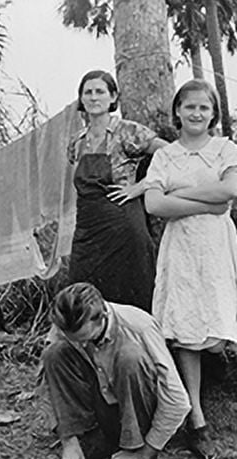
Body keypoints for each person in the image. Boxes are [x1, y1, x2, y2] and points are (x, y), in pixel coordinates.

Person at [140, 79, 237, 459]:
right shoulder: (166, 156)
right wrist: (206, 200)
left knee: (214, 328)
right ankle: (196, 419)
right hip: (181, 246)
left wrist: (179, 196)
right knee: (185, 328)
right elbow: (154, 205)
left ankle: (208, 396)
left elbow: (229, 193)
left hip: (216, 246)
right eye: (189, 107)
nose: (197, 113)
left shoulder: (225, 148)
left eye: (204, 107)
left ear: (214, 113)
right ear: (178, 112)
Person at [43, 282, 192, 459]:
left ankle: (136, 450)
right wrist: (68, 438)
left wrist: (145, 453)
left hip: (139, 410)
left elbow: (178, 401)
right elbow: (51, 380)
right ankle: (91, 437)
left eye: (86, 339)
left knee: (130, 357)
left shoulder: (139, 327)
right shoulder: (67, 325)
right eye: (75, 340)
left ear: (102, 316)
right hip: (103, 407)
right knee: (54, 353)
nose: (82, 345)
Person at [66, 69, 169, 312]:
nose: (93, 97)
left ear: (113, 98)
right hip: (88, 229)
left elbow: (172, 155)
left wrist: (141, 187)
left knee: (132, 292)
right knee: (83, 296)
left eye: (100, 92)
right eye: (87, 92)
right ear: (81, 99)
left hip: (124, 225)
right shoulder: (76, 142)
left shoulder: (128, 131)